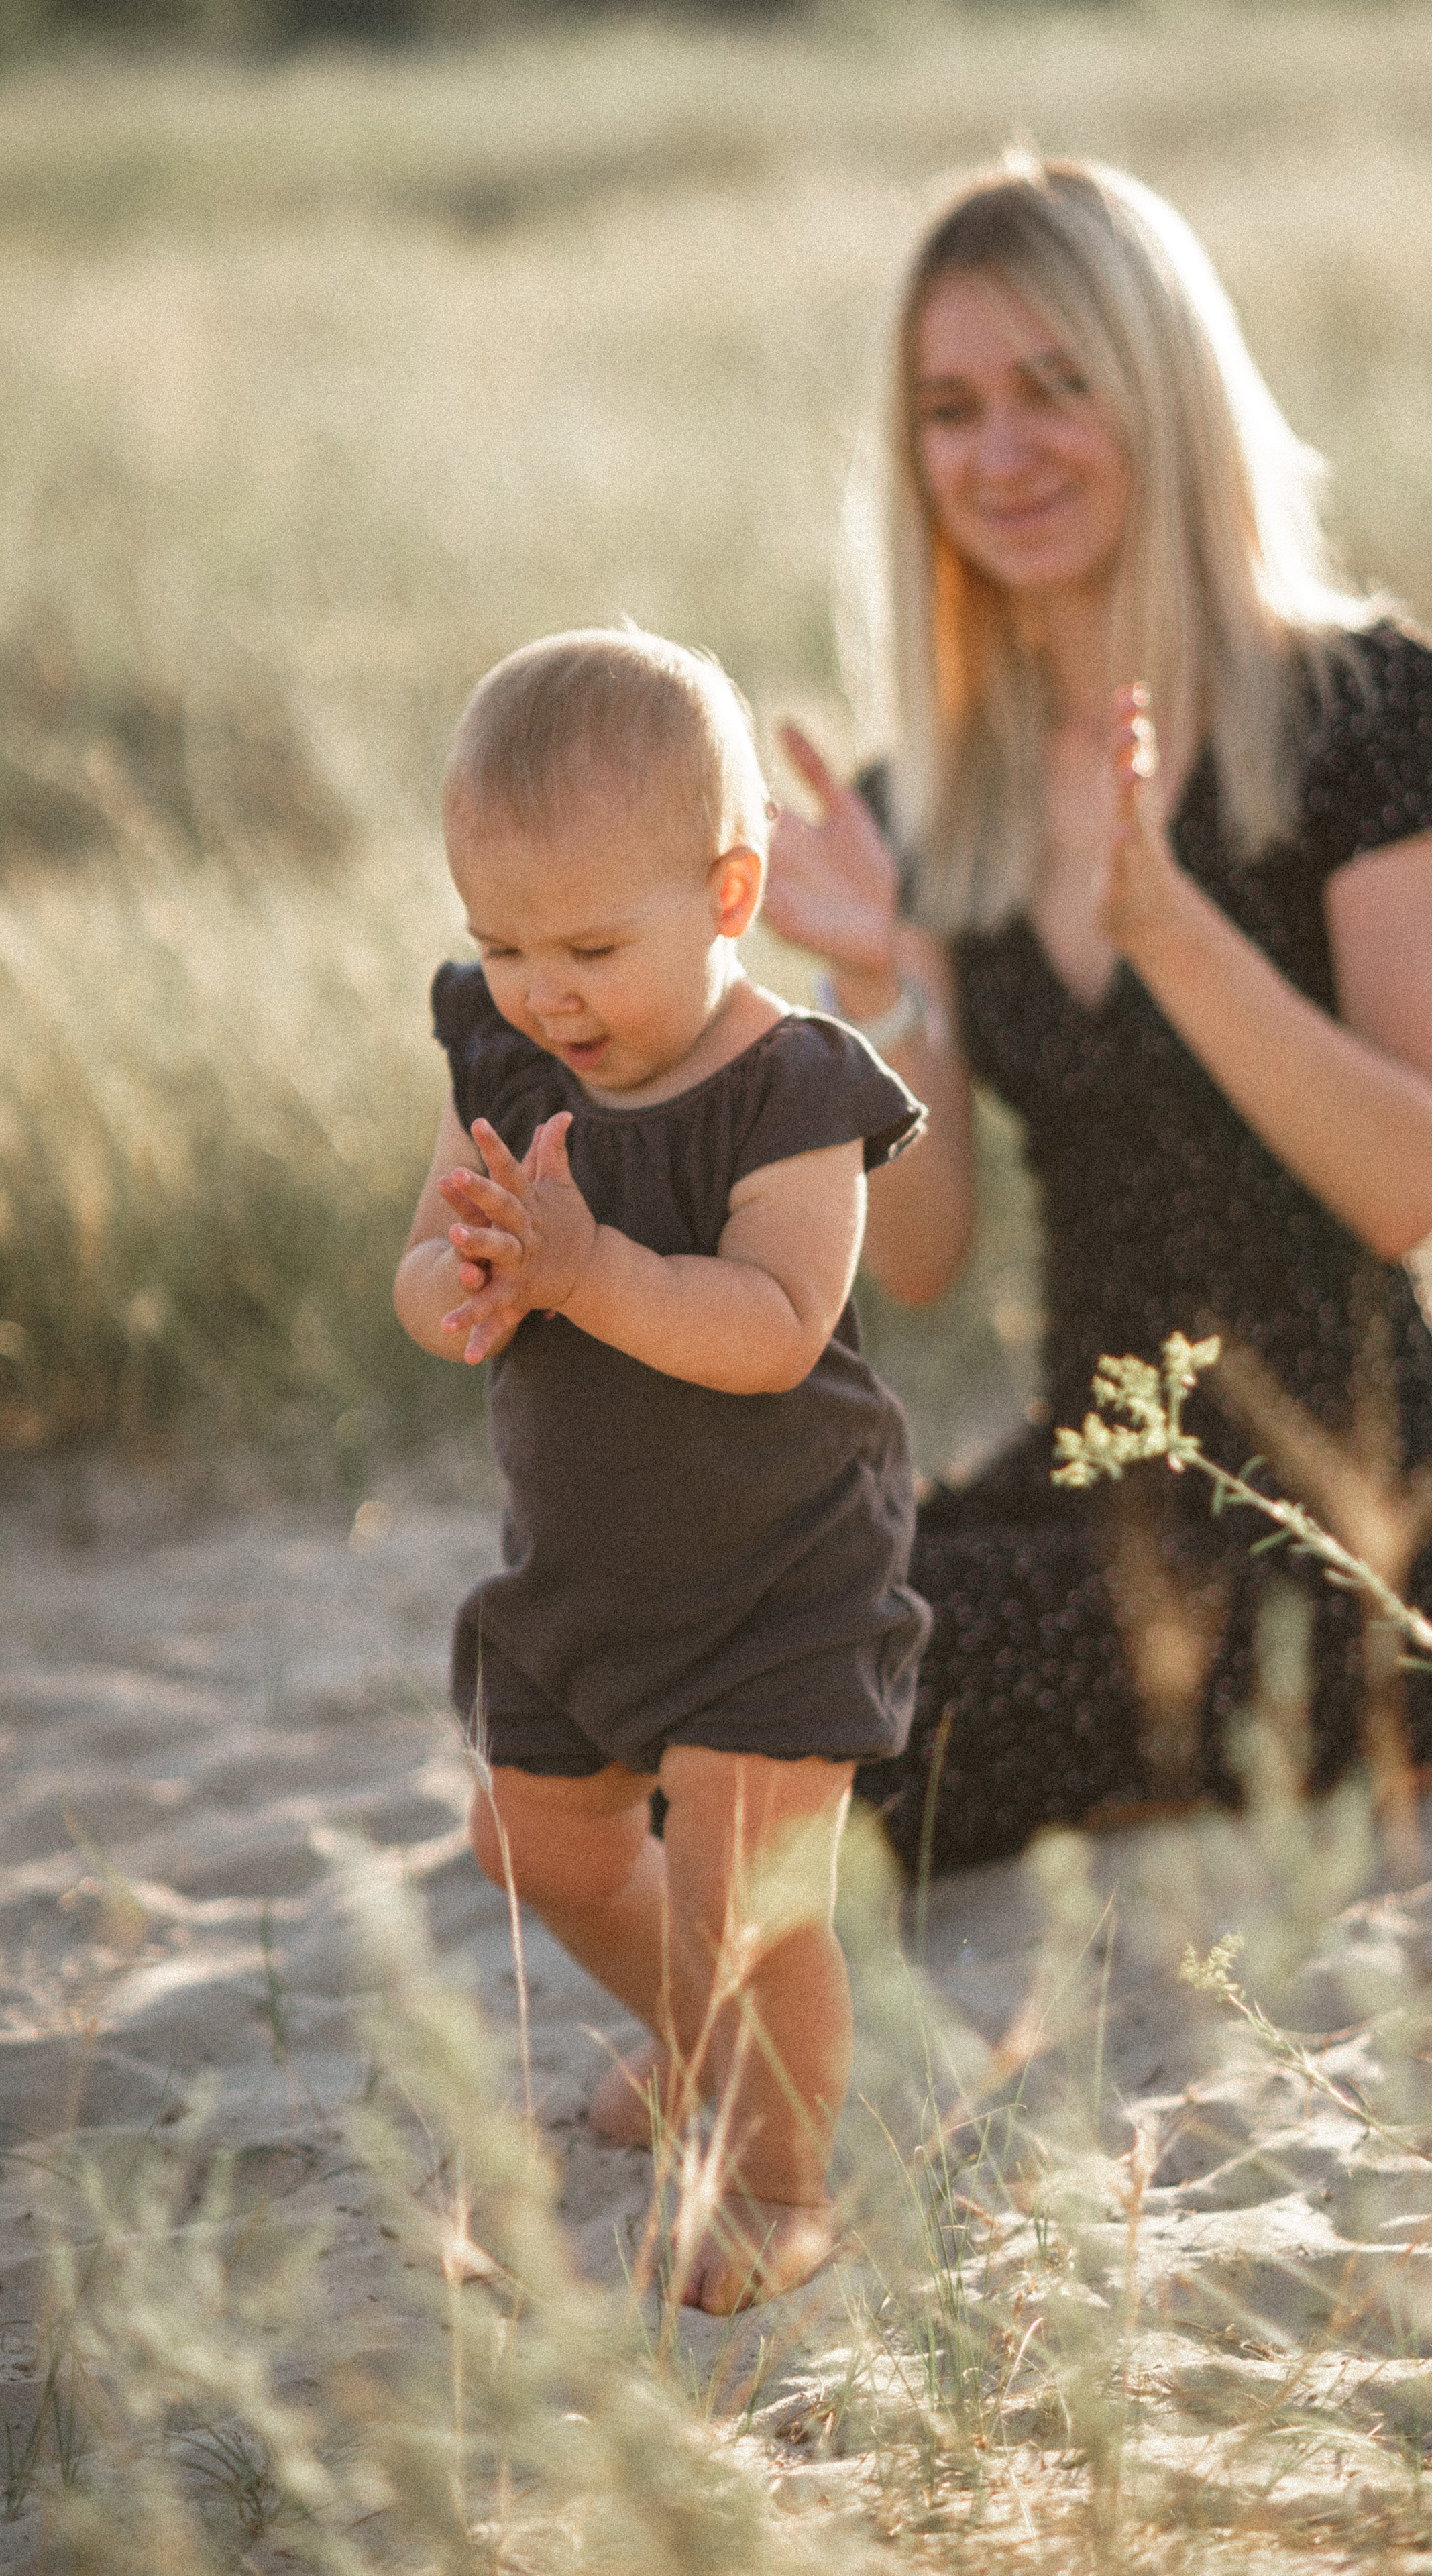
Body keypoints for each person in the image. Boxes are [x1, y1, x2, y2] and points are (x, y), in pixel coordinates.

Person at [763, 154, 1432, 1879]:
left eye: (1053, 385)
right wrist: (872, 985)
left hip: (1346, 1544)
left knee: (837, 1706)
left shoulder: (1359, 708)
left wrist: (1171, 934)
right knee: (733, 1626)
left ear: (1158, 392)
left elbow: (1411, 1180)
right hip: (1099, 1492)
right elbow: (928, 1252)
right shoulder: (922, 801)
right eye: (949, 409)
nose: (999, 452)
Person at [393, 626, 930, 2310]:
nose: (544, 992)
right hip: (587, 1572)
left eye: (590, 946)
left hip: (779, 1573)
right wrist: (466, 1287)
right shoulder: (501, 1051)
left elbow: (775, 1323)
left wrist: (582, 1272)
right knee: (531, 1842)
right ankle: (700, 2044)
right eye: (501, 945)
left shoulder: (792, 1094)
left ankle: (782, 2184)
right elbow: (420, 1264)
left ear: (729, 892)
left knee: (745, 1901)